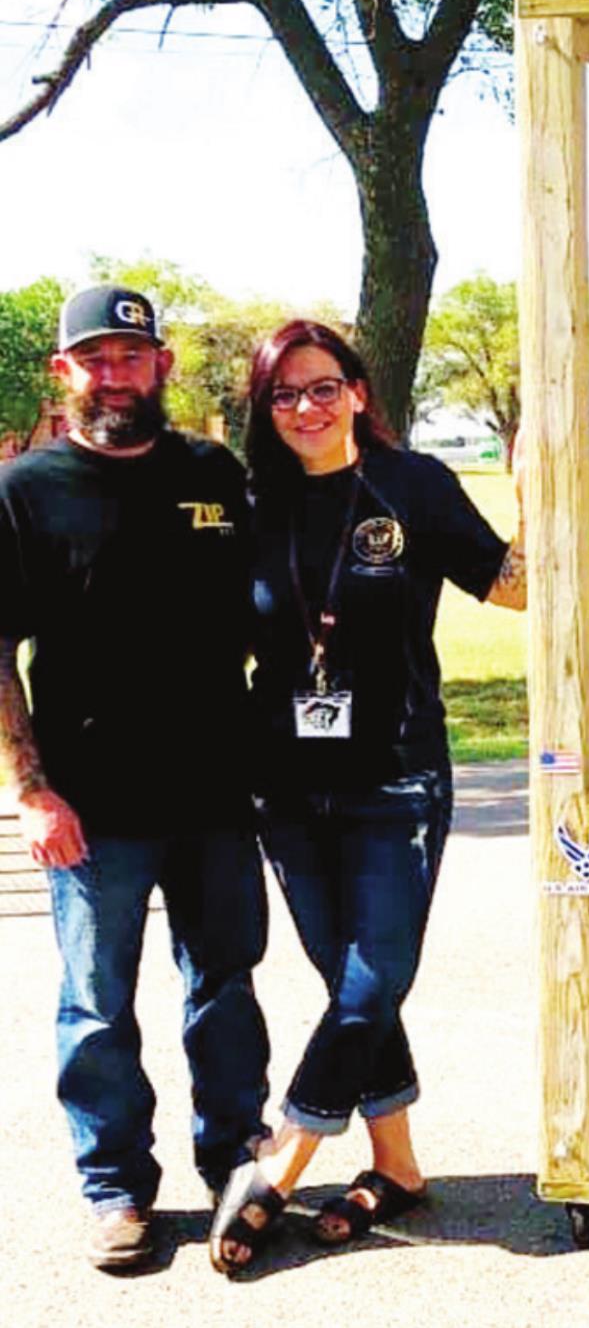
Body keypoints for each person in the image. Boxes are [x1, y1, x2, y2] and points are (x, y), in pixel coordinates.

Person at [208, 320, 526, 1273]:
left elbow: (511, 589)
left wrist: (537, 495)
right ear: (266, 408)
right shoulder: (249, 504)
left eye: (322, 387)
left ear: (356, 389)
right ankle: (397, 1167)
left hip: (397, 776)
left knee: (373, 978)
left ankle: (282, 1158)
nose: (305, 407)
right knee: (352, 986)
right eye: (284, 394)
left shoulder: (413, 484)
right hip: (288, 790)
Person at [0, 285, 269, 1272]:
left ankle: (238, 1157)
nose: (114, 373)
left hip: (215, 794)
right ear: (63, 373)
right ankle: (116, 1185)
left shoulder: (212, 471)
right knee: (97, 1002)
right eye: (95, 358)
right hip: (92, 806)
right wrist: (31, 788)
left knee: (225, 986)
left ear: (160, 366)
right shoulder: (25, 491)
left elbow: (261, 608)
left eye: (131, 355)